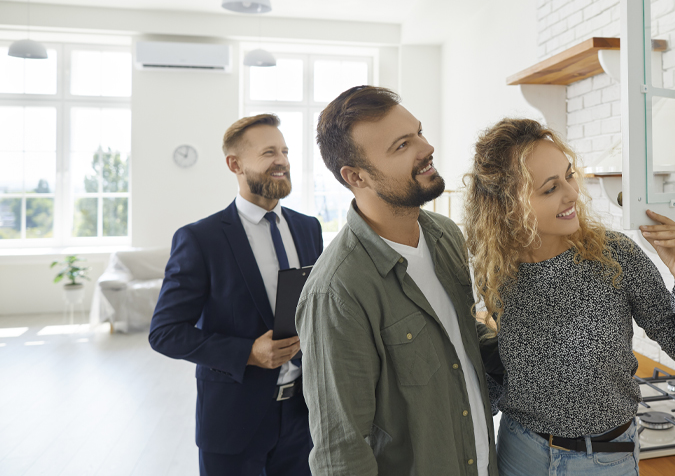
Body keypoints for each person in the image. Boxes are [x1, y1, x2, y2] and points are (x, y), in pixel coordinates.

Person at [463, 118, 675, 476]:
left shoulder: (614, 255)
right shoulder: (494, 270)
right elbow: (498, 369)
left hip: (606, 459)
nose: (571, 194)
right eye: (550, 189)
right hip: (521, 452)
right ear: (508, 206)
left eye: (569, 176)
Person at [295, 85, 498, 475]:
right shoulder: (336, 291)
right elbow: (341, 451)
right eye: (402, 145)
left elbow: (456, 337)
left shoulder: (444, 235)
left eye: (418, 132)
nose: (426, 148)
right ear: (356, 176)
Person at [149, 114, 323, 476]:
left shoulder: (309, 228)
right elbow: (164, 332)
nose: (283, 161)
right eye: (269, 152)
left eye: (285, 151)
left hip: (303, 417)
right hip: (233, 420)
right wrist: (248, 353)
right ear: (235, 164)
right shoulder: (200, 239)